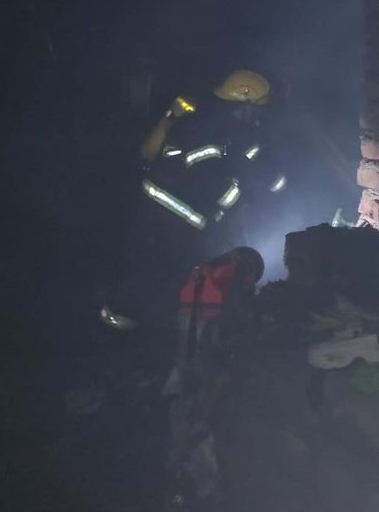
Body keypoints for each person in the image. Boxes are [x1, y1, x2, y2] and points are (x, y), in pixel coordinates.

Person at [101, 69, 286, 331]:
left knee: (162, 274)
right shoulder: (215, 129)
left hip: (176, 212)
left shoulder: (225, 127)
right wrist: (236, 192)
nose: (260, 117)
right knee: (152, 274)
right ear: (244, 101)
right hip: (170, 213)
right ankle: (117, 326)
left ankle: (137, 326)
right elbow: (208, 182)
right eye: (258, 109)